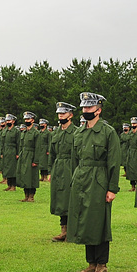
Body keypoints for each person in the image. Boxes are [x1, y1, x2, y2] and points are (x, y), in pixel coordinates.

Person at [67, 92, 121, 272]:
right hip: (81, 179)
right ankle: (91, 264)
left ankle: (102, 265)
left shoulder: (108, 132)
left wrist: (112, 188)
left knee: (99, 223)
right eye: (83, 108)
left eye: (89, 108)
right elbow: (75, 160)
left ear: (98, 109)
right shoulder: (79, 132)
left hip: (99, 180)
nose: (85, 111)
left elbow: (114, 161)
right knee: (85, 222)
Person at [48, 102, 78, 242]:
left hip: (71, 167)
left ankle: (72, 231)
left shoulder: (77, 132)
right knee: (60, 199)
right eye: (59, 114)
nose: (60, 116)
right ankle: (63, 231)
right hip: (58, 167)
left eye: (63, 114)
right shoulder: (55, 132)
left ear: (70, 115)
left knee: (70, 199)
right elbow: (52, 154)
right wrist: (50, 171)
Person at [16, 111, 40, 202]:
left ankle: (31, 196)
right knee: (24, 176)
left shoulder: (36, 133)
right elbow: (21, 145)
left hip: (31, 155)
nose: (26, 120)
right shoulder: (24, 132)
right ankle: (26, 195)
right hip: (23, 155)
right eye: (25, 119)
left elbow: (38, 147)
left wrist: (36, 160)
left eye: (28, 119)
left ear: (33, 120)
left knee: (31, 176)